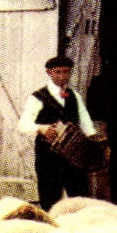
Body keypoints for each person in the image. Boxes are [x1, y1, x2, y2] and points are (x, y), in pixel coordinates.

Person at [17, 54, 99, 210]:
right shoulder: (38, 97)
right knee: (50, 199)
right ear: (49, 73)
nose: (62, 76)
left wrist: (94, 142)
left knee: (79, 197)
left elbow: (86, 123)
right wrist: (40, 128)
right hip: (48, 156)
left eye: (66, 72)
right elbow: (23, 124)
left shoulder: (74, 96)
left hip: (74, 155)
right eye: (58, 72)